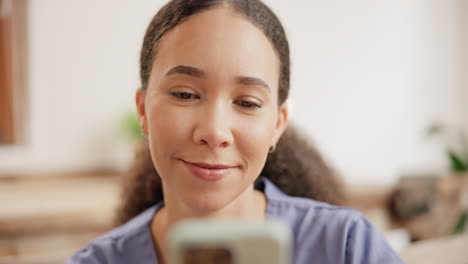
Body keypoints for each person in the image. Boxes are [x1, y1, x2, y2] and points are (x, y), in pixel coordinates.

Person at [67, 0, 404, 263]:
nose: (214, 132)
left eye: (247, 102)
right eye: (185, 94)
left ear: (277, 124)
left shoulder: (346, 246)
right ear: (142, 110)